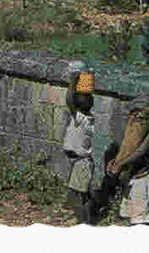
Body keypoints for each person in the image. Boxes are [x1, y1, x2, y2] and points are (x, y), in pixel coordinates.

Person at [105, 95, 149, 225]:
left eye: (138, 116)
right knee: (126, 216)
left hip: (141, 181)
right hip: (129, 180)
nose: (134, 119)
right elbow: (125, 150)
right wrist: (114, 162)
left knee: (139, 221)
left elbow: (138, 153)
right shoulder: (131, 132)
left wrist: (120, 164)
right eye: (132, 115)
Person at [63, 61, 96, 223]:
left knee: (80, 195)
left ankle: (84, 222)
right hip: (79, 162)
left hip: (81, 163)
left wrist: (72, 81)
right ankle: (83, 219)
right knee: (81, 194)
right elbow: (75, 101)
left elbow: (69, 100)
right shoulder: (87, 117)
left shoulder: (81, 118)